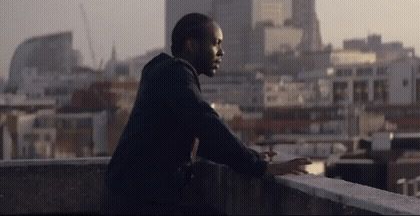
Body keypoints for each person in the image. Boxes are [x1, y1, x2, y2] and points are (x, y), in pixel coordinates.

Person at [105, 13, 311, 215]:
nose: (221, 52)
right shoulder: (175, 73)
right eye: (216, 43)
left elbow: (203, 137)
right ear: (191, 45)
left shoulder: (162, 71)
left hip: (134, 194)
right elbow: (206, 122)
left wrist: (252, 157)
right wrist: (259, 166)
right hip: (142, 200)